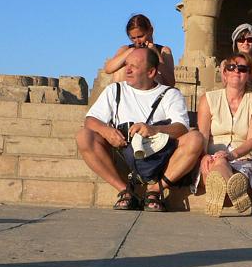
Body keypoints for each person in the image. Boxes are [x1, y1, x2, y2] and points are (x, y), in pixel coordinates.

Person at [77, 47, 204, 211]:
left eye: (134, 66)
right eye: (127, 65)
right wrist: (106, 131)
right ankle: (125, 190)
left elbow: (181, 128)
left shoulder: (170, 94)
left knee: (196, 139)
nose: (127, 70)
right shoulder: (115, 90)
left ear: (151, 72)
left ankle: (155, 190)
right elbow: (90, 121)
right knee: (84, 136)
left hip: (160, 158)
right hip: (124, 155)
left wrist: (154, 130)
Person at [196, 53, 252, 217]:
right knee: (217, 162)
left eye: (242, 68)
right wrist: (204, 155)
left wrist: (231, 155)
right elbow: (203, 135)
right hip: (212, 155)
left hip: (242, 156)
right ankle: (233, 190)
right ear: (225, 73)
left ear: (249, 75)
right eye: (231, 67)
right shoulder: (209, 99)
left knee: (224, 165)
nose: (236, 71)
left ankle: (221, 192)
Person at [104, 14, 177, 87]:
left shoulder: (164, 51)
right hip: (129, 90)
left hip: (152, 91)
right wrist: (130, 51)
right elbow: (108, 69)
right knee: (120, 69)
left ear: (150, 31)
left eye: (140, 36)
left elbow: (170, 82)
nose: (137, 41)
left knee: (154, 72)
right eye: (133, 38)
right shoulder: (126, 49)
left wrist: (156, 55)